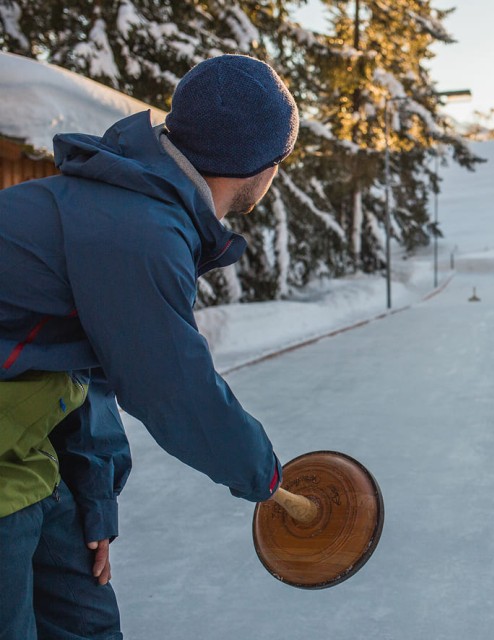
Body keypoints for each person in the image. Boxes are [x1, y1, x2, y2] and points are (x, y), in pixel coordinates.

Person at [0, 54, 299, 639]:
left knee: (86, 623)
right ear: (262, 167)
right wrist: (263, 475)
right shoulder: (140, 229)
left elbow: (92, 370)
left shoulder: (134, 203)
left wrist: (95, 498)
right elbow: (170, 386)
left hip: (27, 441)